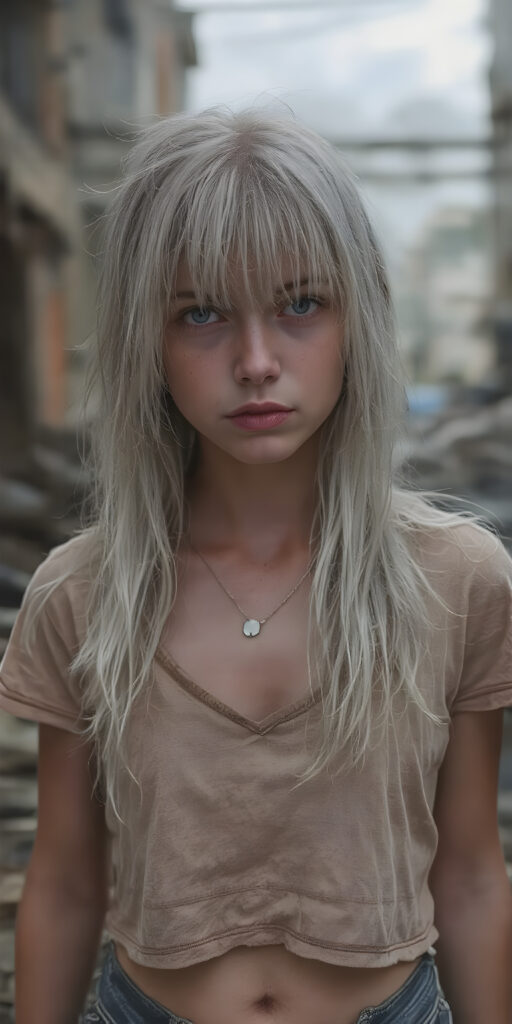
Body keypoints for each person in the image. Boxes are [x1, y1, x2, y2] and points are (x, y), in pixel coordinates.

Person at [1, 106, 511, 1024]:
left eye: (300, 304)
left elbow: (471, 874)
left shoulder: (457, 580)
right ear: (147, 341)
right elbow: (68, 881)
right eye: (200, 313)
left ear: (361, 316)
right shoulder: (83, 595)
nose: (256, 361)